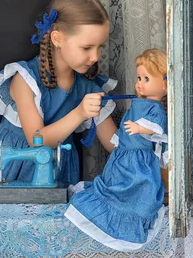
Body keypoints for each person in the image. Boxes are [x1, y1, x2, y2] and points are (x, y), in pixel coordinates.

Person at [0, 0, 118, 186]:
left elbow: (114, 145)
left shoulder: (87, 87)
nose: (96, 57)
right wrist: (80, 113)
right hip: (14, 168)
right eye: (87, 47)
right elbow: (36, 140)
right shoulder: (26, 79)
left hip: (59, 171)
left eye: (100, 47)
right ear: (57, 39)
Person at [65, 48, 168, 252]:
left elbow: (158, 128)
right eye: (139, 77)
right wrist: (120, 138)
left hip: (138, 164)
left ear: (165, 82)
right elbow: (126, 126)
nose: (139, 82)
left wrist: (140, 128)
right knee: (114, 188)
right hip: (123, 157)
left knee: (136, 192)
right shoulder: (138, 103)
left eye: (146, 78)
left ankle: (126, 224)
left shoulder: (155, 109)